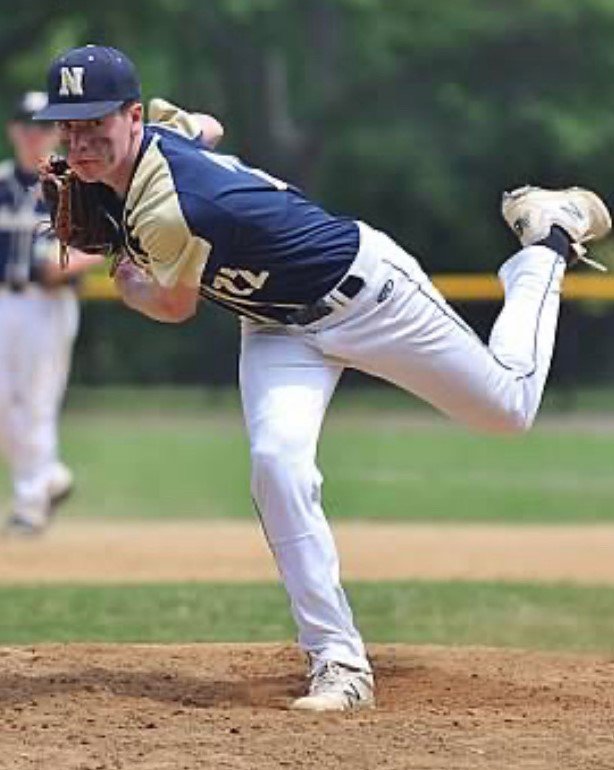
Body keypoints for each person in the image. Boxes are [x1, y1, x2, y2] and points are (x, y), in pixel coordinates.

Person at [35, 45, 610, 711]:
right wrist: (165, 147)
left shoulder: (170, 208)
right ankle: (338, 662)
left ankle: (547, 243)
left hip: (368, 296)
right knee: (276, 465)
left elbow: (171, 306)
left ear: (131, 116)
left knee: (508, 407)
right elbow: (209, 124)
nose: (79, 143)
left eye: (95, 125)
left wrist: (127, 274)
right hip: (276, 326)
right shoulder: (157, 130)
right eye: (68, 127)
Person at [0, 91, 103, 535]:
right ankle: (51, 477)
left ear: (55, 132)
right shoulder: (2, 183)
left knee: (37, 401)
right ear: (12, 131)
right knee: (4, 404)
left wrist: (67, 265)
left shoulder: (73, 184)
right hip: (4, 299)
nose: (32, 134)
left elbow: (102, 244)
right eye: (26, 125)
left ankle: (30, 503)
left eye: (42, 126)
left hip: (48, 304)